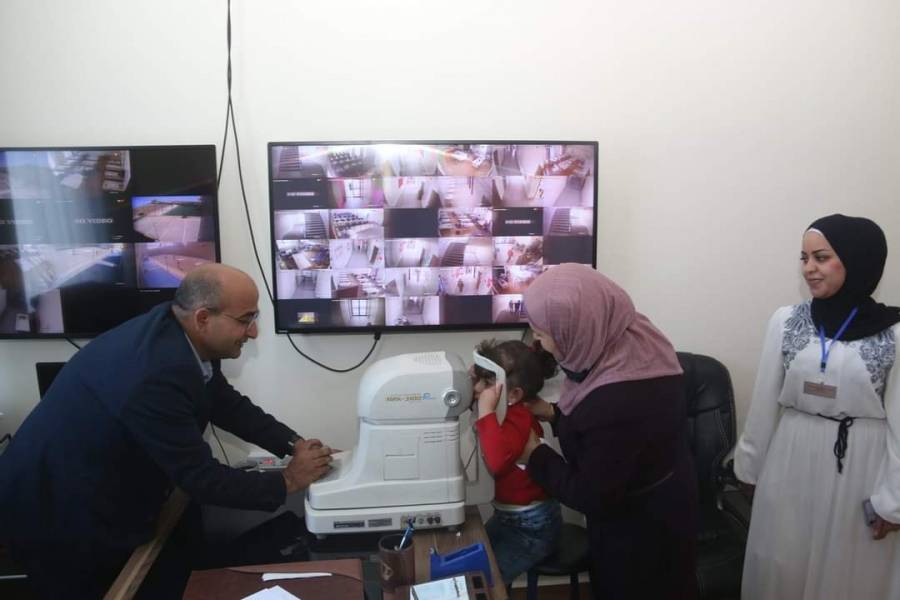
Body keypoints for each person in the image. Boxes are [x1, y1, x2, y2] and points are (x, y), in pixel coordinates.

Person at [0, 264, 334, 599]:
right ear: (203, 318)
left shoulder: (182, 332)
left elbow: (223, 402)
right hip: (54, 512)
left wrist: (294, 444)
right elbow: (201, 478)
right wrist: (288, 481)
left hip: (88, 490)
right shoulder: (155, 372)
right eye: (245, 320)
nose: (254, 332)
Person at [734, 214, 900, 599]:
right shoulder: (786, 321)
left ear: (857, 260)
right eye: (804, 258)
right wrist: (750, 467)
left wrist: (893, 502)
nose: (809, 268)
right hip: (791, 457)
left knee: (849, 572)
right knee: (784, 562)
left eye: (821, 258)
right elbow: (764, 401)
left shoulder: (893, 333)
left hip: (861, 466)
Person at [518, 263, 698, 599]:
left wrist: (536, 454)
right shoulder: (628, 337)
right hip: (664, 497)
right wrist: (554, 414)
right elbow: (614, 439)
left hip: (641, 532)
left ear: (574, 326)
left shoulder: (617, 398)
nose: (539, 345)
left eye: (541, 335)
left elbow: (591, 494)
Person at [471, 339, 562, 586]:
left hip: (532, 526)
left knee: (487, 581)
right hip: (509, 517)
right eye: (478, 380)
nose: (478, 389)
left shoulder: (516, 419)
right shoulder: (504, 411)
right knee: (475, 559)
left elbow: (497, 462)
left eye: (487, 383)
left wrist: (486, 412)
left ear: (514, 395)